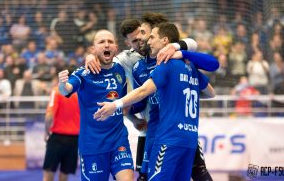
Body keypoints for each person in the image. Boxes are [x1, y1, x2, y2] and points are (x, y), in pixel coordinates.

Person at [86, 12, 217, 181]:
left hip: (168, 133)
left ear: (164, 40)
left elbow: (143, 91)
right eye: (136, 37)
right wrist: (91, 56)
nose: (143, 39)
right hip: (159, 130)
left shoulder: (168, 60)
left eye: (145, 34)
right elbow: (210, 91)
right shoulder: (134, 61)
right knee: (147, 175)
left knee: (198, 172)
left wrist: (116, 105)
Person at [58, 29, 134, 181]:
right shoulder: (83, 73)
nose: (106, 45)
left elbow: (124, 102)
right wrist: (62, 83)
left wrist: (135, 120)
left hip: (119, 139)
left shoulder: (120, 69)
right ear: (93, 49)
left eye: (110, 42)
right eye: (101, 42)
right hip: (93, 145)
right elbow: (66, 90)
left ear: (116, 48)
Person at [43, 76, 80, 181]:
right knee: (64, 175)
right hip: (74, 140)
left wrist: (46, 132)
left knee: (48, 175)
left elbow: (49, 115)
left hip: (57, 138)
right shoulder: (79, 94)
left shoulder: (57, 91)